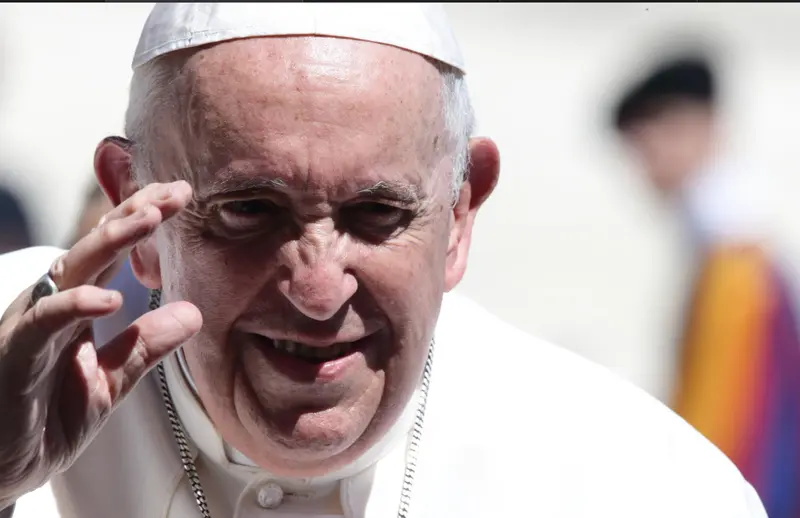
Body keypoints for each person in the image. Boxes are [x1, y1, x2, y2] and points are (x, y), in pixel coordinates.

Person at [0, 5, 766, 518]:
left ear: (460, 212)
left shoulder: (644, 484)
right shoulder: (14, 367)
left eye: (377, 214)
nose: (317, 290)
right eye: (250, 211)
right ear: (134, 207)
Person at [611, 50, 799, 517]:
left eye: (646, 143)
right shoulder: (731, 249)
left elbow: (721, 434)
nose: (642, 168)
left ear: (692, 127)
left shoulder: (734, 264)